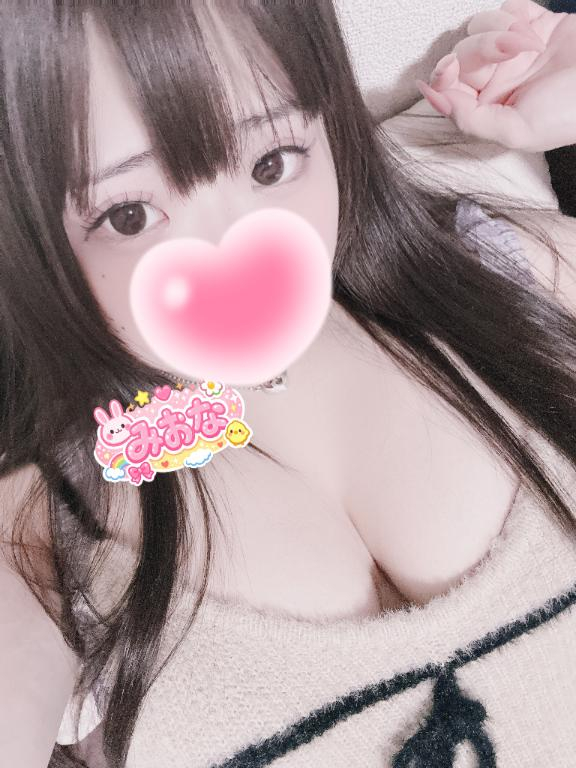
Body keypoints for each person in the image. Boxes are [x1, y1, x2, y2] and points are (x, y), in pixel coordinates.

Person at [1, 2, 575, 767]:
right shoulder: (36, 528)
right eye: (128, 214)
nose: (239, 251)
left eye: (272, 162)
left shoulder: (511, 272)